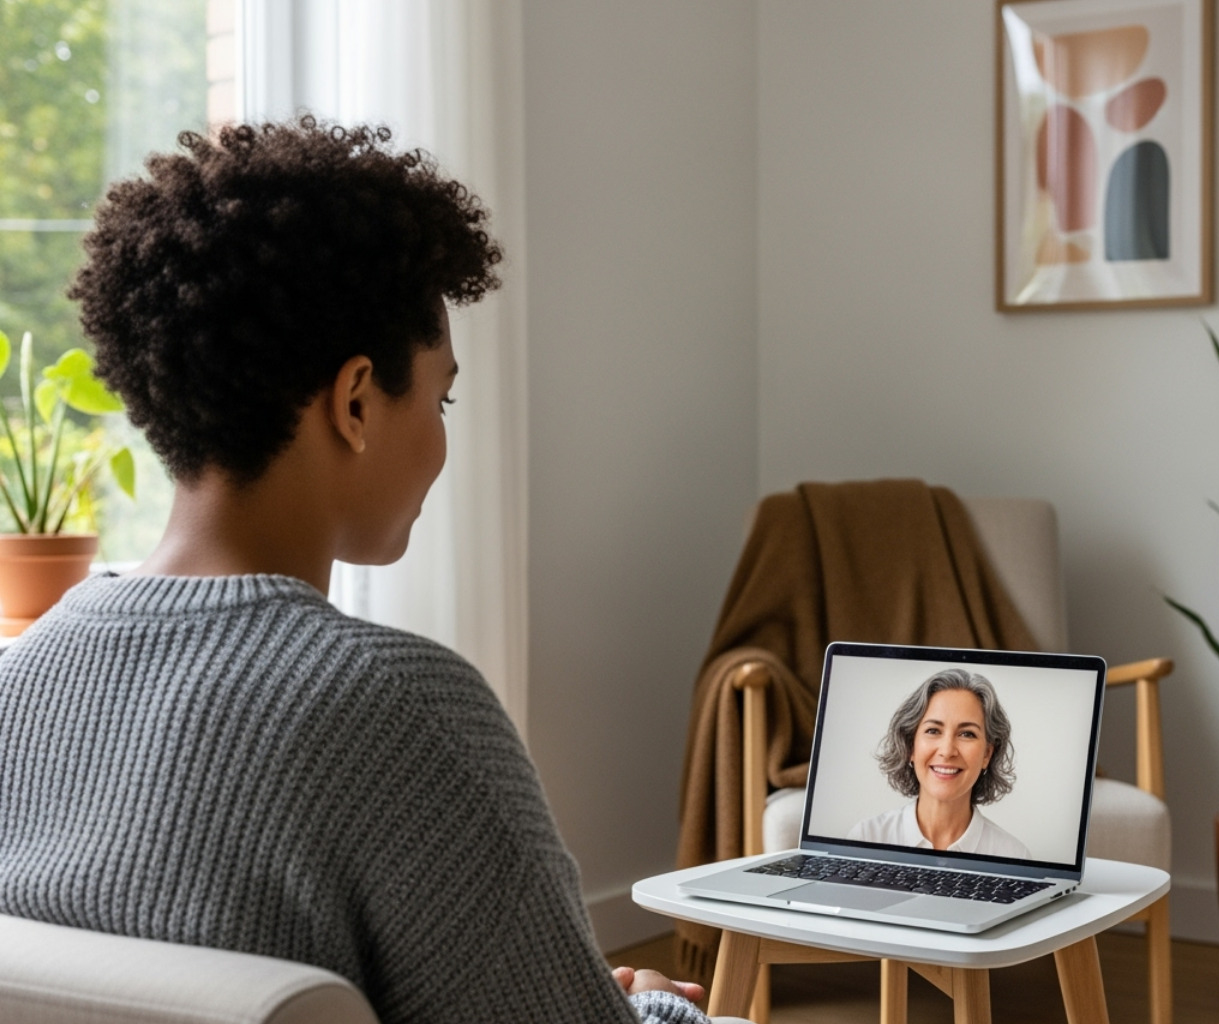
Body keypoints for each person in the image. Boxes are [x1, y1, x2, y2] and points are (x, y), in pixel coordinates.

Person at [0, 117, 708, 1024]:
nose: (444, 434)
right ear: (356, 400)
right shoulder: (400, 709)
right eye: (441, 395)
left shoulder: (20, 682)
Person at [847, 667, 1031, 858]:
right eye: (933, 731)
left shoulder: (1014, 856)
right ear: (910, 746)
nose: (947, 751)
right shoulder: (866, 839)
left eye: (967, 734)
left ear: (987, 754)